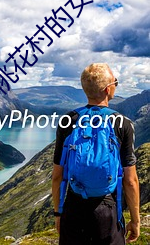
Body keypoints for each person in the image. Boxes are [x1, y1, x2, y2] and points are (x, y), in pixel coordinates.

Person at [52, 63, 140, 245]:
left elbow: (57, 176)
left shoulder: (68, 120)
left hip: (74, 207)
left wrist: (58, 213)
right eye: (116, 82)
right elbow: (130, 180)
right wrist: (135, 220)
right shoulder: (122, 124)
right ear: (108, 89)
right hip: (107, 210)